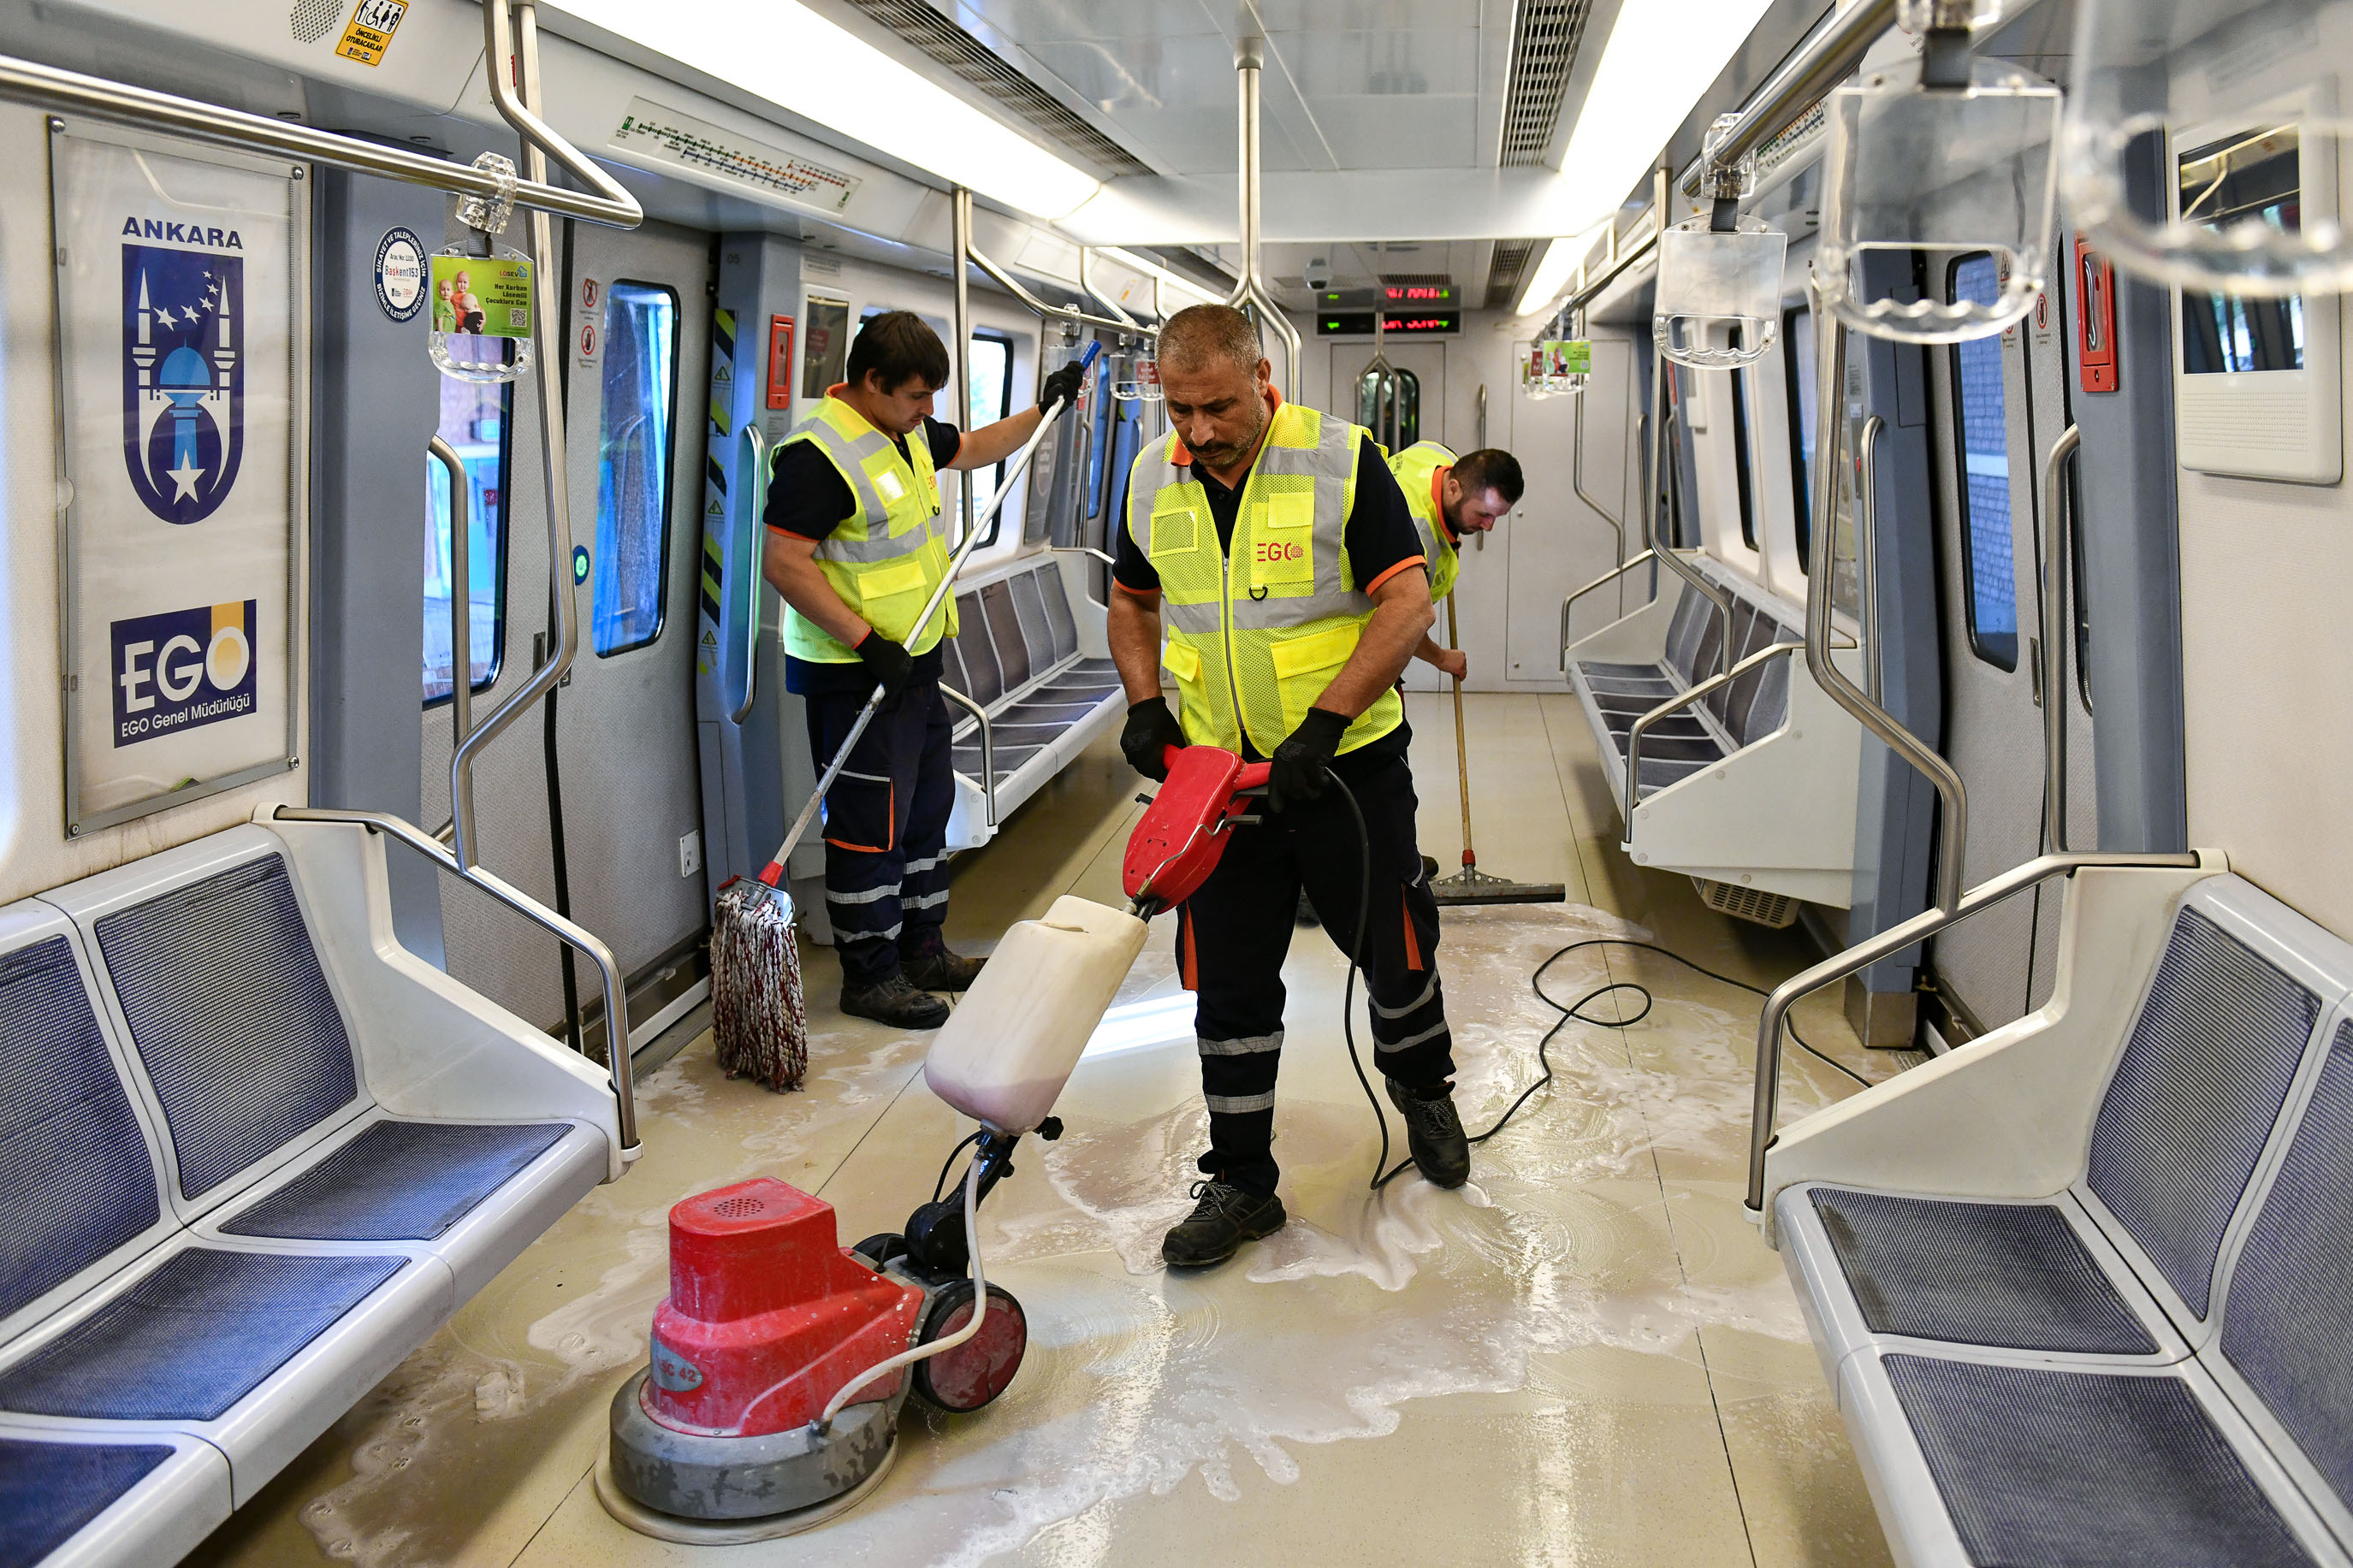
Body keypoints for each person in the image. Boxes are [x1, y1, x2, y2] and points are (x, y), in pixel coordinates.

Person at [1107, 305, 1471, 1269]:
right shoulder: (1152, 475)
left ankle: (1424, 1091)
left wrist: (1328, 720)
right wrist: (1144, 703)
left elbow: (1404, 603)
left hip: (1342, 769)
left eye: (1218, 407)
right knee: (1224, 985)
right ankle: (1240, 1182)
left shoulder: (1341, 461)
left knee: (1391, 952)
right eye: (1179, 411)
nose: (1199, 432)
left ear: (1260, 377)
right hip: (1216, 783)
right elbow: (1132, 603)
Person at [762, 311, 1088, 1030]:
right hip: (857, 673)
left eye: (931, 398)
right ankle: (869, 974)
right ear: (870, 381)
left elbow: (973, 449)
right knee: (866, 827)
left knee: (922, 817)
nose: (927, 412)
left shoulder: (902, 433)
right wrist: (863, 640)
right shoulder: (818, 455)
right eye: (915, 396)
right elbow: (784, 563)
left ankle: (923, 949)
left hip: (915, 663)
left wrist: (1047, 406)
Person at [1384, 442, 1525, 680]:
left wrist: (1452, 530)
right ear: (1453, 489)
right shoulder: (1413, 540)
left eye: (1496, 516)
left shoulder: (1438, 454)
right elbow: (1397, 623)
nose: (1488, 527)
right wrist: (1441, 658)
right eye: (1483, 514)